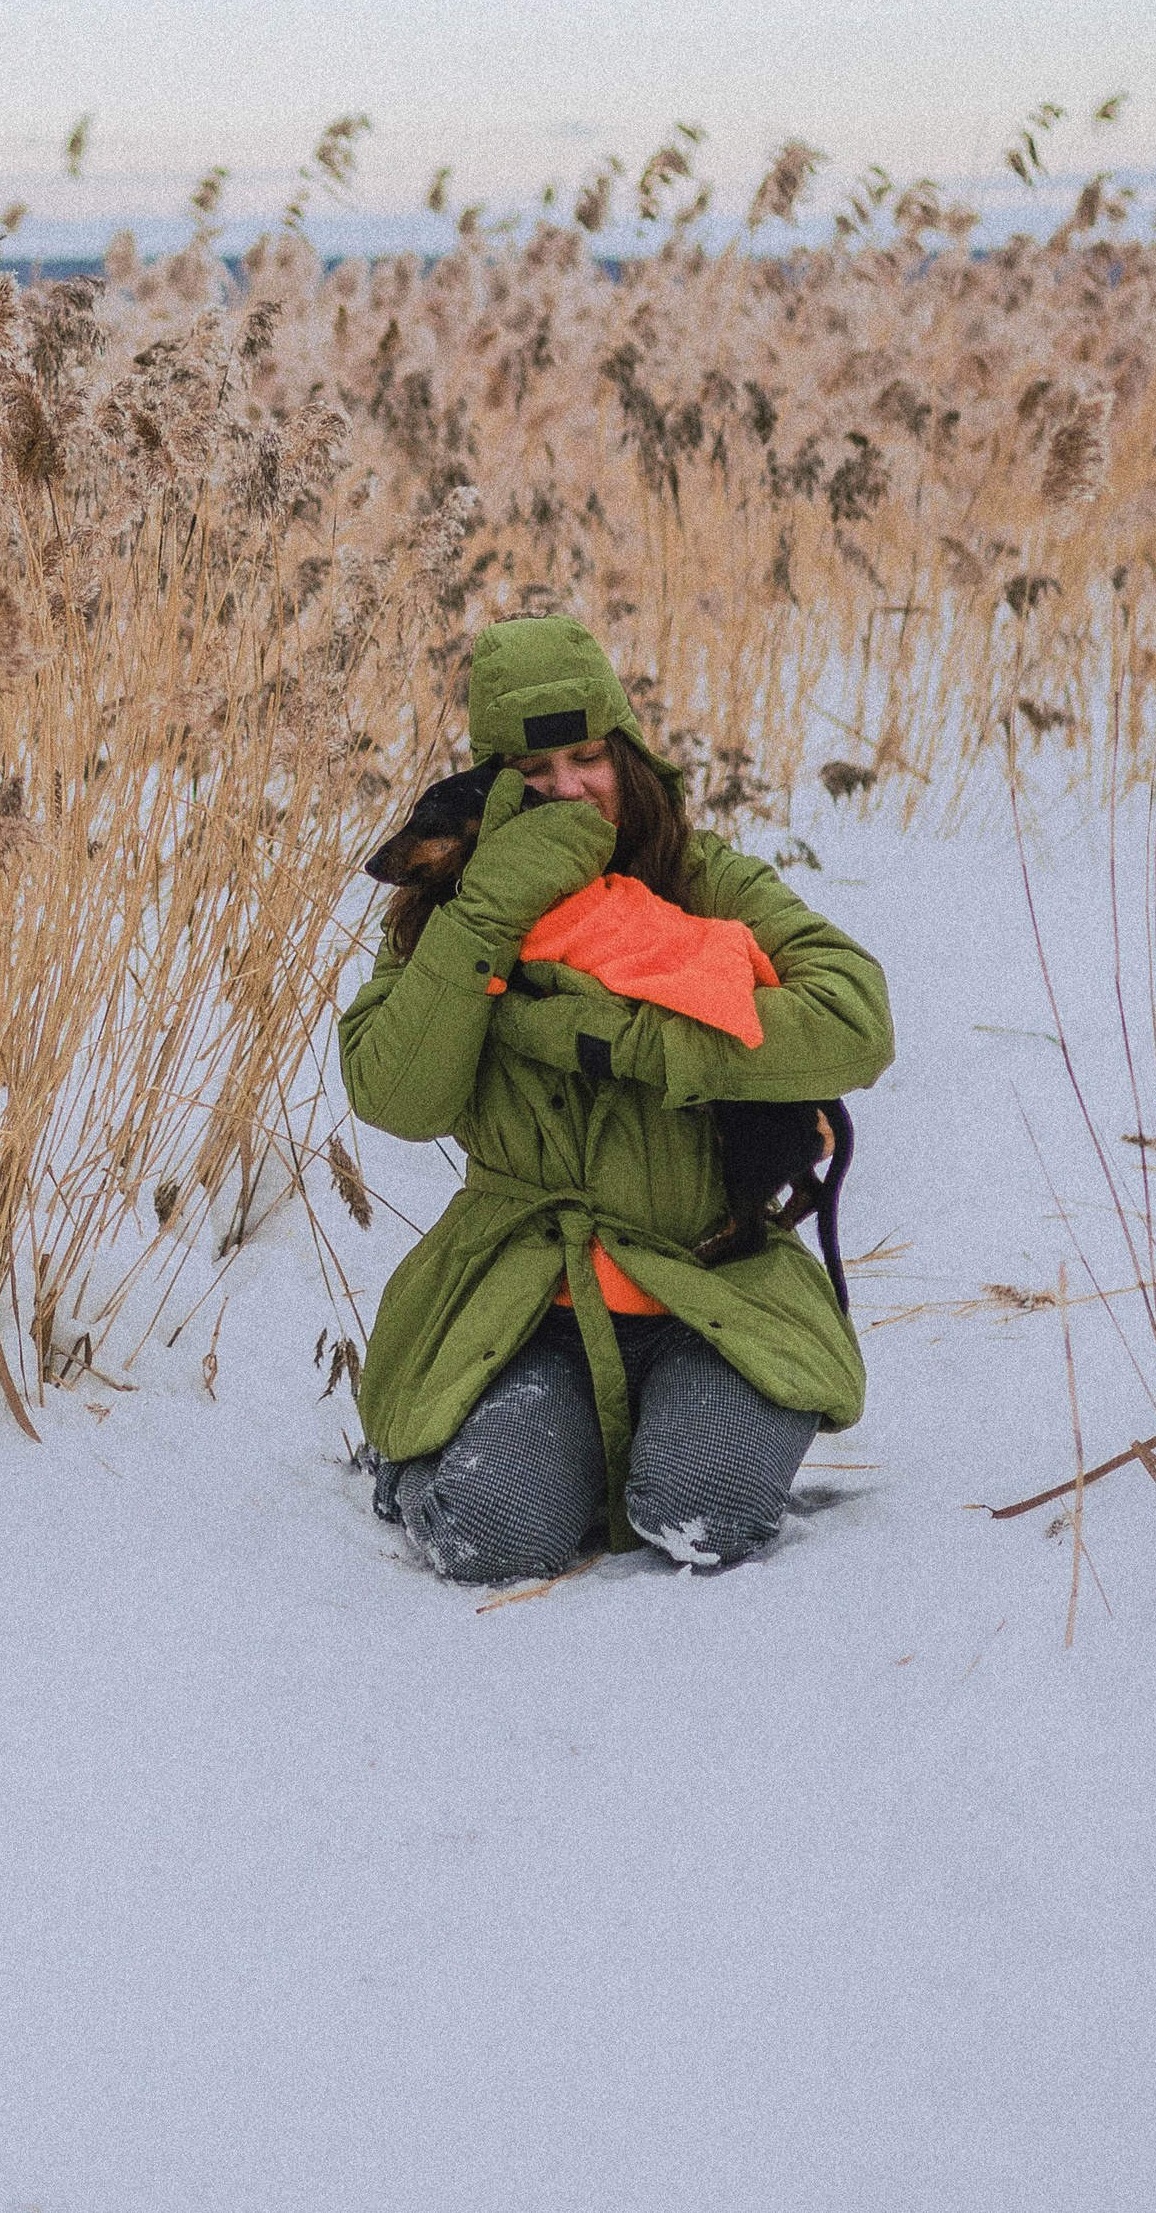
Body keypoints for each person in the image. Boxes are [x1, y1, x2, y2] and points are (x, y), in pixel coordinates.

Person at [342, 613, 892, 1583]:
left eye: (588, 756)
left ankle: (661, 1443)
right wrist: (489, 910)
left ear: (626, 757)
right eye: (532, 770)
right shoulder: (445, 911)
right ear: (490, 787)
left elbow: (854, 1023)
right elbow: (396, 1098)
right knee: (496, 1539)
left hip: (708, 1281)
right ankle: (443, 1461)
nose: (565, 789)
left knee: (702, 1518)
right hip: (521, 1297)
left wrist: (617, 1040)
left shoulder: (704, 880)